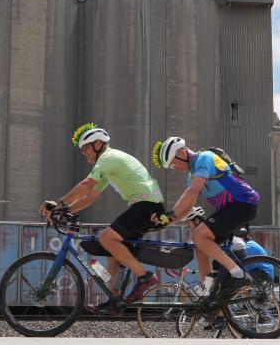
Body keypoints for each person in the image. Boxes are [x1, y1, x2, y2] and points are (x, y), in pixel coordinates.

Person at [39, 123, 164, 305]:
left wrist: (58, 204)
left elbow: (86, 185)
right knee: (112, 248)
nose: (83, 152)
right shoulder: (108, 163)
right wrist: (64, 211)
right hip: (146, 206)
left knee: (107, 239)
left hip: (147, 207)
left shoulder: (108, 157)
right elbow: (90, 197)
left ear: (97, 144)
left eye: (85, 147)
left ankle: (145, 277)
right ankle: (114, 299)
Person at [150, 136, 260, 300]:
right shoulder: (191, 176)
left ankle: (238, 275)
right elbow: (187, 207)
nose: (175, 167)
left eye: (174, 162)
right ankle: (209, 290)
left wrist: (169, 215)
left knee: (199, 235)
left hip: (244, 203)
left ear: (182, 152)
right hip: (232, 209)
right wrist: (164, 223)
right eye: (172, 166)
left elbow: (193, 192)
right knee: (199, 246)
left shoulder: (204, 158)